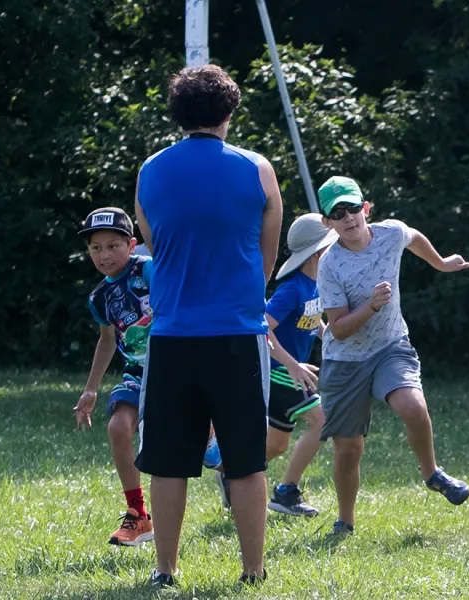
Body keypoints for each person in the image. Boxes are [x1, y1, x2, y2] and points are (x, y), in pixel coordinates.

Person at [133, 64, 282, 588]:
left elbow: (153, 242)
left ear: (177, 114)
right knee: (245, 459)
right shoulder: (258, 169)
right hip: (238, 334)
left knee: (168, 460)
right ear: (228, 112)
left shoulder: (150, 171)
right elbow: (268, 253)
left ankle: (166, 571)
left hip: (172, 335)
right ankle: (252, 571)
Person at [315, 176, 469, 536]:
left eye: (353, 208)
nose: (348, 217)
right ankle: (345, 520)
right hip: (345, 360)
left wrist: (442, 263)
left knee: (413, 406)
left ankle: (432, 474)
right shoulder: (330, 264)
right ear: (327, 223)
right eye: (337, 213)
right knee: (348, 448)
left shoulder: (390, 233)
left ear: (366, 208)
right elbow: (337, 328)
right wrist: (371, 306)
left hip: (390, 345)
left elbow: (413, 237)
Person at [73, 207, 155, 547]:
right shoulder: (99, 297)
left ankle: (225, 466)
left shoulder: (149, 271)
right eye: (96, 248)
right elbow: (107, 341)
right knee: (118, 426)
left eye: (113, 246)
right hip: (137, 371)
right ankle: (138, 515)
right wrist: (91, 389)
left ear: (132, 244)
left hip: (178, 367)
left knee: (211, 457)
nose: (104, 255)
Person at [264, 213, 339, 517]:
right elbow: (262, 328)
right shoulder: (291, 289)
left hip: (291, 372)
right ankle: (286, 493)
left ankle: (233, 474)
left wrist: (329, 336)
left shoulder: (318, 284)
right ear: (320, 253)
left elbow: (312, 319)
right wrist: (293, 365)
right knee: (323, 422)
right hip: (280, 372)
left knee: (278, 444)